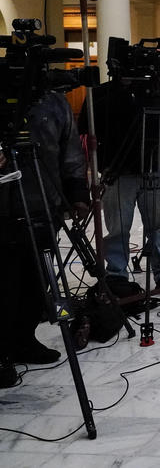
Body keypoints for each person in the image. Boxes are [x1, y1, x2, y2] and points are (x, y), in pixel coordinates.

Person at [0, 91, 90, 385]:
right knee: (7, 285)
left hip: (44, 206)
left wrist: (77, 194)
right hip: (5, 208)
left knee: (38, 282)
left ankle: (24, 340)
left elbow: (71, 152)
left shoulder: (56, 103)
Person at [79, 70, 160, 300]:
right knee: (117, 229)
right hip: (118, 172)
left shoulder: (158, 94)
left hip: (155, 168)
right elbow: (85, 127)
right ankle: (116, 275)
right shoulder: (101, 94)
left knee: (159, 227)